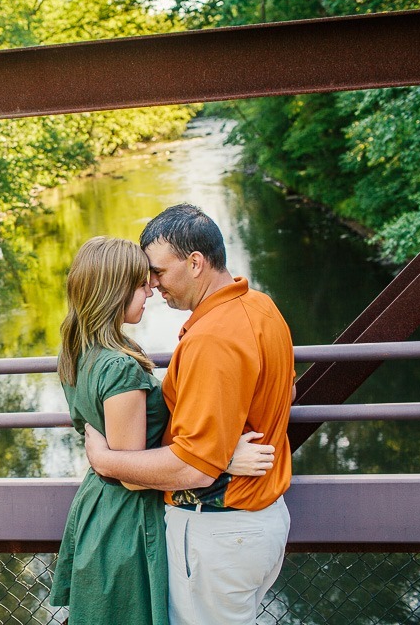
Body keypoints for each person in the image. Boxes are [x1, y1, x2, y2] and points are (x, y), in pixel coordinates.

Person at [84, 204, 294, 625]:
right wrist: (224, 451)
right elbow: (284, 389)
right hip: (263, 523)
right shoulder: (261, 308)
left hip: (218, 533)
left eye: (158, 272)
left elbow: (194, 469)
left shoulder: (212, 339)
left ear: (195, 263)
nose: (152, 284)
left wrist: (106, 460)